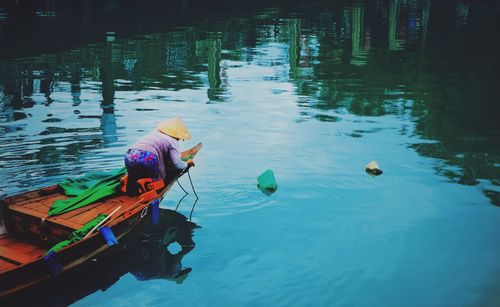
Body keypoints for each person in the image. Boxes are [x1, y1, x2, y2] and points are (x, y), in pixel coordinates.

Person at [124, 117, 195, 195]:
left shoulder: (154, 134)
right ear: (178, 136)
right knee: (160, 182)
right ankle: (146, 182)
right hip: (148, 157)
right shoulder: (173, 141)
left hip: (130, 154)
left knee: (135, 174)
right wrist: (187, 164)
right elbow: (177, 164)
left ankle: (127, 179)